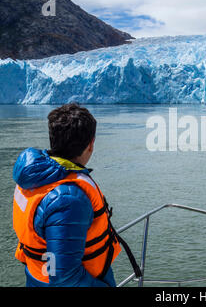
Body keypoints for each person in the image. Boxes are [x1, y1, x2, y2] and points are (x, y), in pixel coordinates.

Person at [12, 103, 141, 287]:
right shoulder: (68, 199)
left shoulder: (34, 179)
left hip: (36, 278)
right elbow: (65, 277)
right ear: (91, 144)